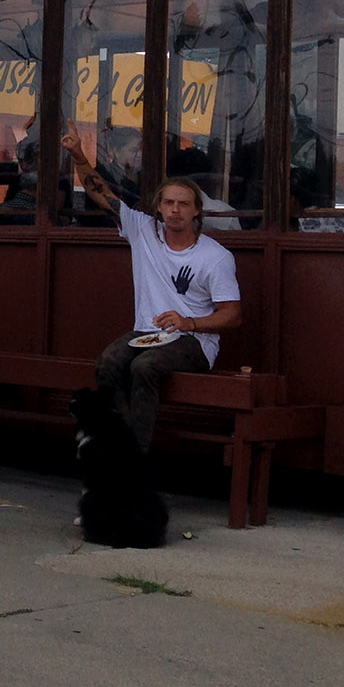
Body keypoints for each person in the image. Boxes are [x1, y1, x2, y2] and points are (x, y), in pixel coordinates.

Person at [62, 127, 242, 452]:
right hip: (146, 333)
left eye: (184, 204)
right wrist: (78, 154)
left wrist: (190, 323)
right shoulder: (143, 231)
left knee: (143, 367)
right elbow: (101, 192)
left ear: (196, 210)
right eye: (169, 203)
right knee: (108, 362)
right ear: (158, 207)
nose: (175, 210)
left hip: (194, 342)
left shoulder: (215, 256)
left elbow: (232, 315)